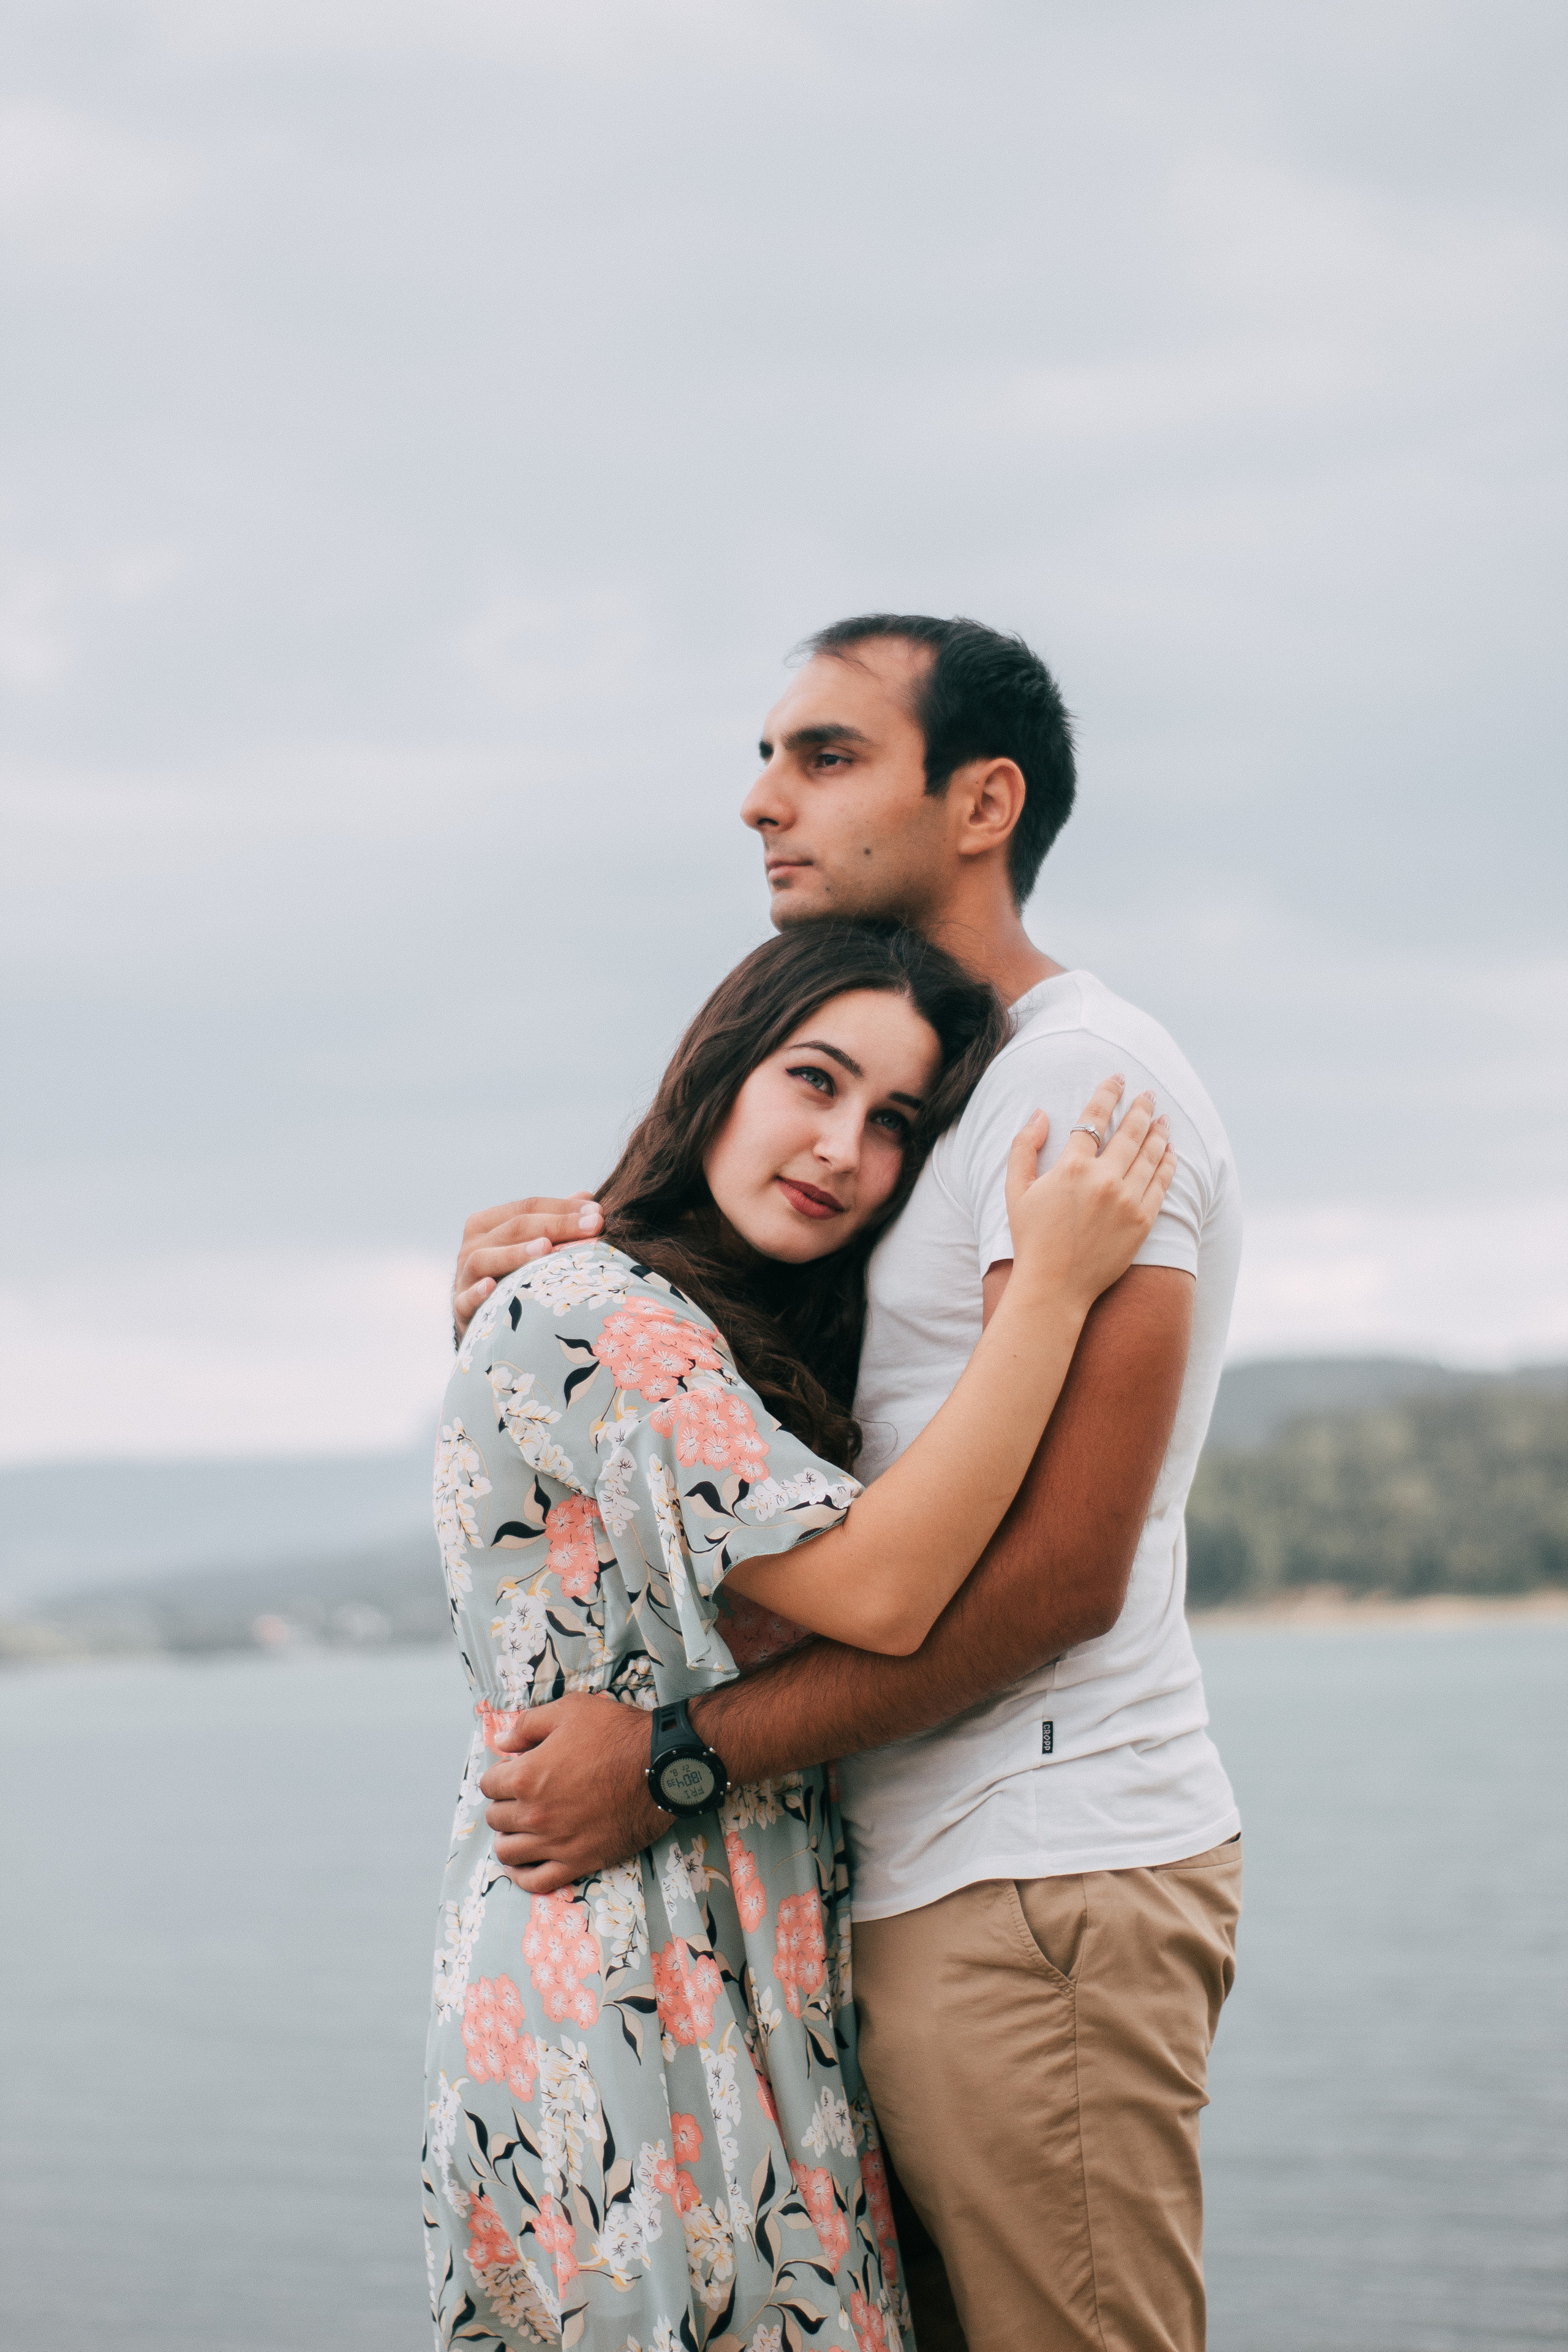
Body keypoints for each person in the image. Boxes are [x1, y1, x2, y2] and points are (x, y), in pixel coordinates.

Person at [453, 616, 1245, 2352]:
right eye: (766, 756)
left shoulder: (1076, 1088)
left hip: (1031, 1870)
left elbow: (1062, 1578)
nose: (762, 802)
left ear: (983, 804)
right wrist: (563, 1286)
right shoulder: (949, 1088)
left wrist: (671, 1760)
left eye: (825, 756)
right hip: (860, 1892)